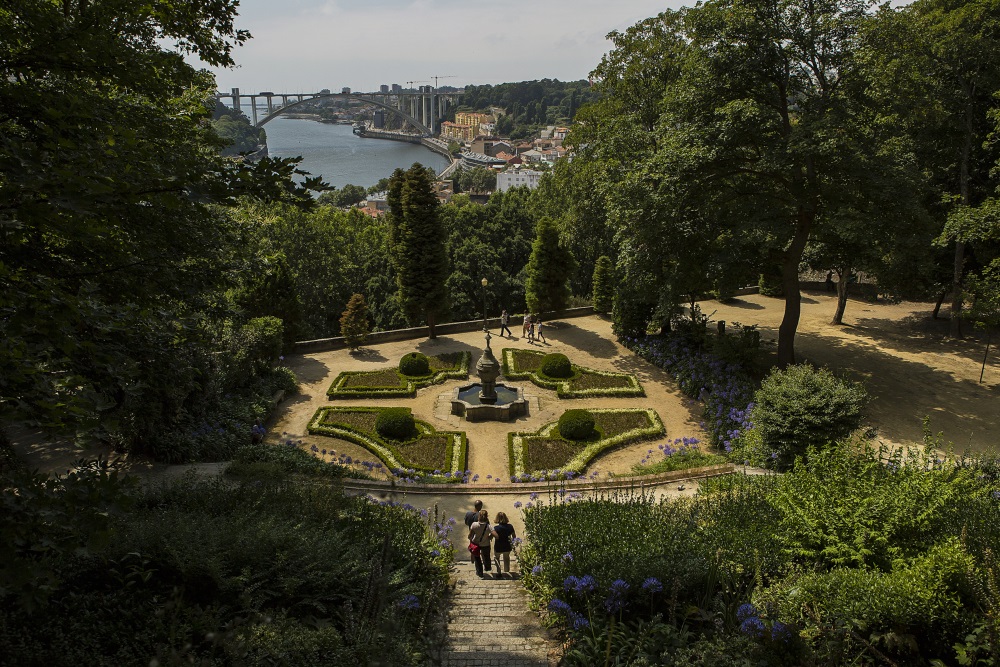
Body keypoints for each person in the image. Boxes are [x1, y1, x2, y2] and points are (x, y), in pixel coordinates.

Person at [468, 509, 493, 577]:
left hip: (476, 543)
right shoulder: (488, 526)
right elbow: (495, 534)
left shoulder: (474, 524)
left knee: (477, 558)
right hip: (485, 543)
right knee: (486, 556)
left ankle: (480, 572)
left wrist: (471, 539)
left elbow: (470, 535)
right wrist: (490, 537)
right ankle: (487, 567)